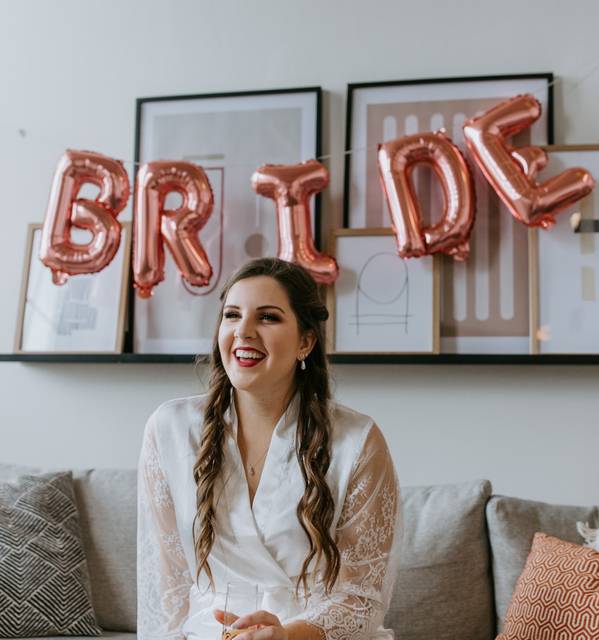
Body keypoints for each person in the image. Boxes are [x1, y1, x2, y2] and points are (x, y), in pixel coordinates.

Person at [137, 257, 401, 640]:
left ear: (305, 341)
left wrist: (287, 635)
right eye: (231, 315)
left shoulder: (357, 440)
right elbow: (165, 587)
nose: (243, 331)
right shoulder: (169, 430)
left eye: (268, 318)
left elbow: (362, 598)